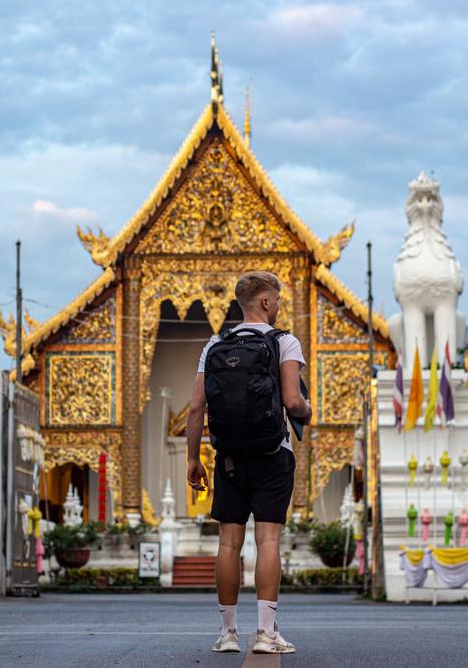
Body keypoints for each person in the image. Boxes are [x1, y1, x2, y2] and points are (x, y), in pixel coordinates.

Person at [186, 271, 311, 655]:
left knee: (229, 543)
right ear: (266, 302)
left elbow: (195, 408)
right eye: (277, 298)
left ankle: (227, 634)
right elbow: (292, 401)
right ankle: (266, 633)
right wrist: (308, 410)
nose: (278, 305)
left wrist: (193, 458)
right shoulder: (284, 342)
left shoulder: (215, 344)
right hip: (273, 454)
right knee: (267, 539)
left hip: (229, 459)